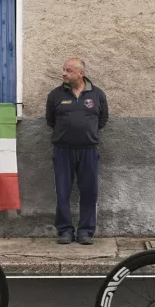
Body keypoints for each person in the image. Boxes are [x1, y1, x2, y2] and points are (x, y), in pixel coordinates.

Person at [45, 58, 108, 245]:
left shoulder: (97, 95)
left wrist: (87, 134)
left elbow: (103, 120)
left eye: (69, 71)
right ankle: (64, 230)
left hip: (88, 150)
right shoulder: (55, 95)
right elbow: (51, 121)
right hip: (63, 150)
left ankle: (86, 231)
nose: (64, 73)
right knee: (62, 191)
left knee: (89, 192)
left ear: (80, 73)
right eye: (63, 70)